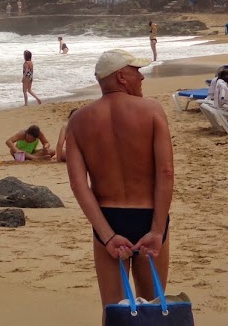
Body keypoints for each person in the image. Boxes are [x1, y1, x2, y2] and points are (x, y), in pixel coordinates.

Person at [65, 49, 174, 313]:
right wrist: (157, 230)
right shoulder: (151, 110)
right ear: (122, 77)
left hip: (108, 218)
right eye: (137, 72)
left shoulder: (78, 120)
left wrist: (107, 235)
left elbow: (79, 185)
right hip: (149, 215)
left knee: (113, 310)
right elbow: (166, 173)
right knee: (154, 307)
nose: (141, 78)